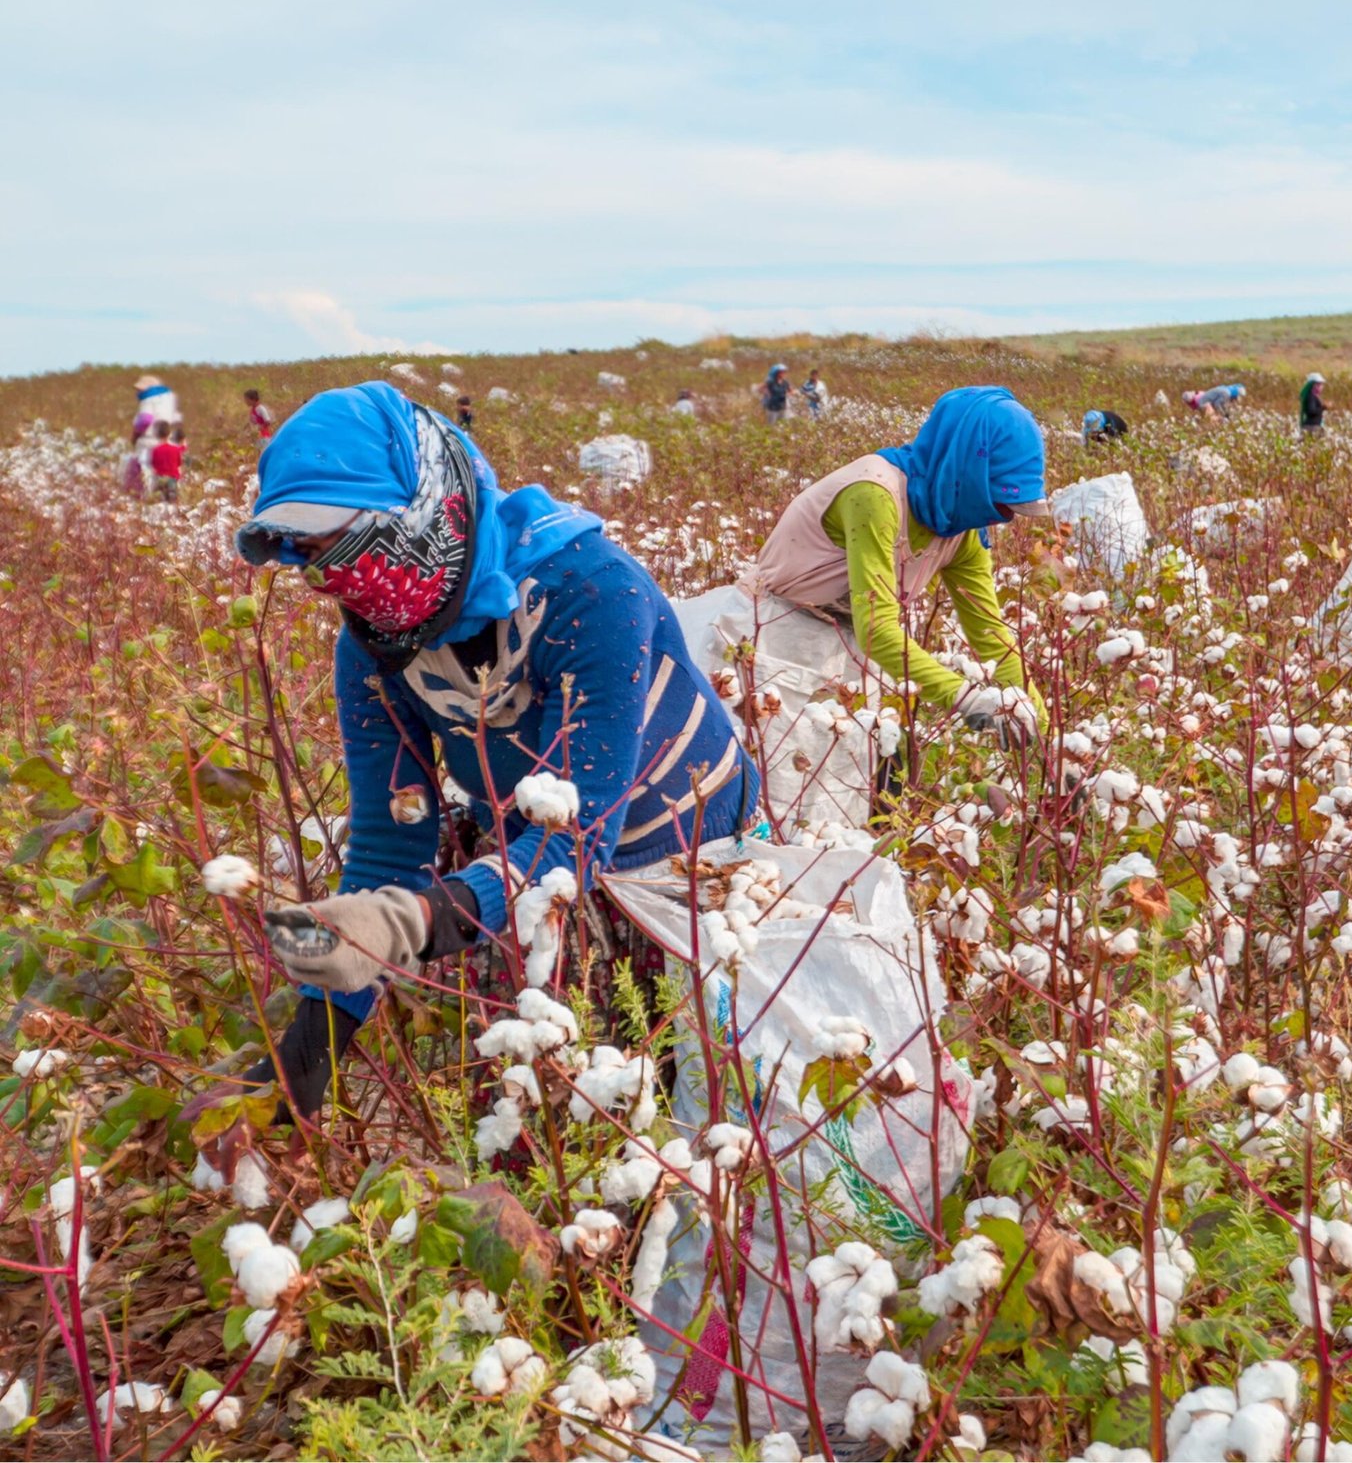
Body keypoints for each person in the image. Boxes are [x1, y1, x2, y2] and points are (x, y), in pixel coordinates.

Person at [226, 382, 759, 1121]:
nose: (336, 582)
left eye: (350, 548)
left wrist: (413, 922)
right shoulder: (373, 650)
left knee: (661, 1108)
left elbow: (574, 830)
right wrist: (315, 1041)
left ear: (431, 509)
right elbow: (390, 840)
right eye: (312, 561)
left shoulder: (589, 591)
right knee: (528, 1103)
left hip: (679, 859)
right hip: (524, 863)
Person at [688, 386, 1049, 834]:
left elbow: (990, 634)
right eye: (997, 500)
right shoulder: (874, 495)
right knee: (766, 795)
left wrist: (1041, 730)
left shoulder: (963, 530)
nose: (999, 516)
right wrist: (967, 697)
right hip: (772, 637)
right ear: (967, 470)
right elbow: (878, 627)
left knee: (839, 805)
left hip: (849, 650)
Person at [149, 422, 184, 502]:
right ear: (169, 434)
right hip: (172, 480)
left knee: (158, 503)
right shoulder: (176, 449)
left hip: (160, 479)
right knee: (173, 503)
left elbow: (154, 465)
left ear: (157, 435)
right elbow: (179, 463)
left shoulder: (156, 450)